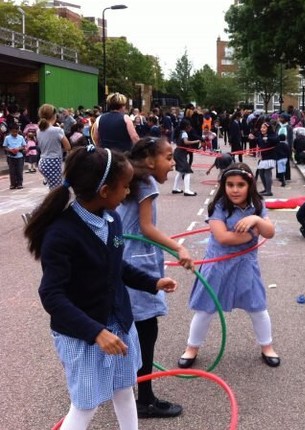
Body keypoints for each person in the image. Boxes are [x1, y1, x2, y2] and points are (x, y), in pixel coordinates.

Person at [24, 145, 178, 430]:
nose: (129, 192)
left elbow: (116, 265)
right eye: (125, 187)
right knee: (86, 405)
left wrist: (152, 282)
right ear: (106, 191)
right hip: (83, 335)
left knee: (123, 390)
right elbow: (51, 295)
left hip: (118, 324)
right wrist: (96, 333)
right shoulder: (62, 234)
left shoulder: (112, 219)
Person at [117, 137, 193, 419]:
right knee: (146, 331)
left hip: (123, 257)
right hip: (139, 262)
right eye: (169, 157)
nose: (173, 163)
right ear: (150, 161)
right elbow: (147, 228)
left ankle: (125, 390)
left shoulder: (129, 181)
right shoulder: (145, 184)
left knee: (131, 327)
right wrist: (179, 247)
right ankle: (144, 399)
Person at [178, 163, 281, 368]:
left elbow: (269, 232)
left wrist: (255, 219)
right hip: (218, 266)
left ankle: (267, 347)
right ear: (223, 186)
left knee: (258, 308)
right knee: (205, 309)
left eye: (240, 185)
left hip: (246, 266)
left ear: (249, 185)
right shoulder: (219, 206)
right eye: (230, 184)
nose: (235, 189)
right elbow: (223, 237)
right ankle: (191, 348)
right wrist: (252, 233)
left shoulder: (257, 205)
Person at [37, 103, 71, 189]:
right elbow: (68, 147)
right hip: (53, 162)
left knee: (53, 187)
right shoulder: (57, 130)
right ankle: (53, 202)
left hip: (42, 161)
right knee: (57, 189)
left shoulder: (39, 130)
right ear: (54, 116)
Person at [250, 121, 278, 196]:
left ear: (268, 129)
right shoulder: (260, 136)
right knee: (261, 173)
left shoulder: (272, 135)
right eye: (261, 127)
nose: (262, 129)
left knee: (267, 173)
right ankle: (266, 189)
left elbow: (276, 141)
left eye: (264, 128)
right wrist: (253, 138)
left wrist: (268, 138)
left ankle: (269, 191)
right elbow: (259, 143)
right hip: (263, 157)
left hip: (270, 157)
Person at [171, 119, 199, 197]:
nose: (190, 127)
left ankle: (175, 188)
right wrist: (196, 141)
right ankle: (187, 190)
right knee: (187, 171)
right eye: (189, 126)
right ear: (187, 126)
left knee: (180, 171)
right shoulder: (184, 133)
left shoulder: (180, 132)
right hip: (181, 154)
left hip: (178, 153)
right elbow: (186, 142)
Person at [4, 122, 26, 190]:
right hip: (11, 156)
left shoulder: (21, 137)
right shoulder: (7, 138)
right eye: (13, 132)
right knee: (12, 171)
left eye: (16, 132)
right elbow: (5, 147)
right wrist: (10, 150)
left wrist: (18, 149)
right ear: (10, 131)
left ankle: (19, 183)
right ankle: (13, 184)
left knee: (19, 170)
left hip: (19, 156)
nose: (15, 133)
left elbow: (24, 146)